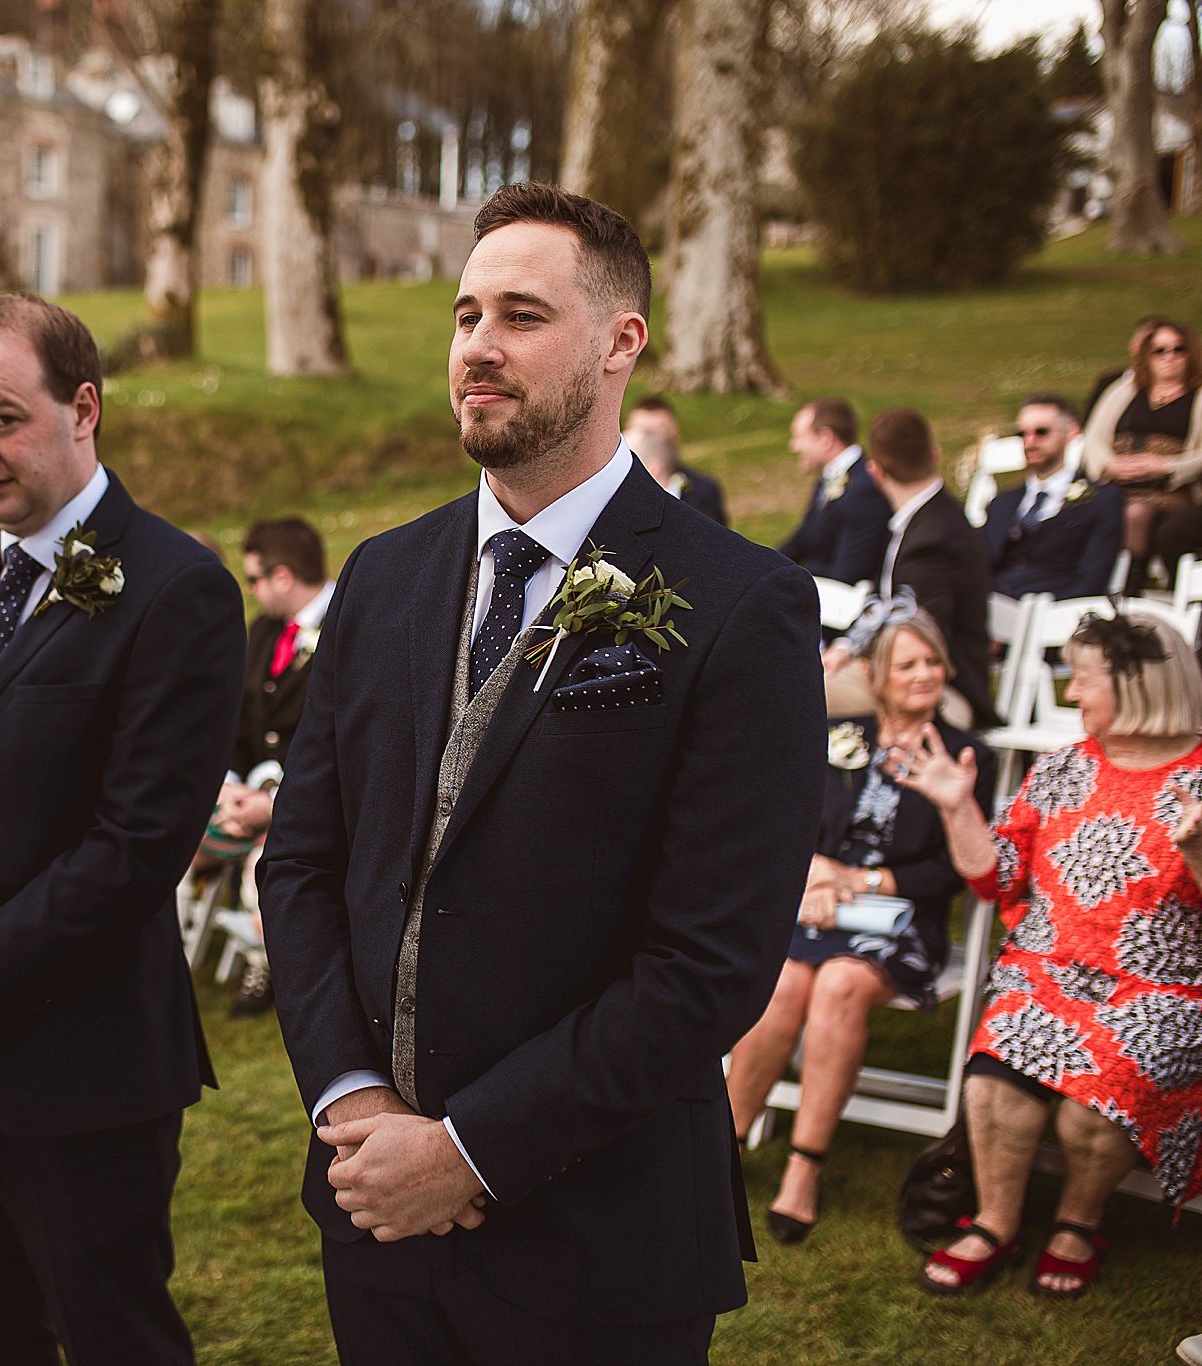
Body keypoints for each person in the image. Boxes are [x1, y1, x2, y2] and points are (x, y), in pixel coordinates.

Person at [260, 182, 824, 1363]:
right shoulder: (380, 576)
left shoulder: (739, 604)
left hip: (597, 1241)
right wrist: (352, 1104)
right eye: (465, 316)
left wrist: (467, 1150)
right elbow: (305, 860)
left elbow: (708, 963)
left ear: (622, 342)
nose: (476, 347)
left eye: (520, 314)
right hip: (375, 1221)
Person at [0, 293, 245, 1365]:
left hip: (80, 1068)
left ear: (83, 408)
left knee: (110, 1336)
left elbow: (133, 849)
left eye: (2, 419)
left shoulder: (179, 588)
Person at [896, 610, 1202, 1297]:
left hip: (1164, 991)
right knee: (996, 1076)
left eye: (1083, 681)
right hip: (1048, 974)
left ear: (1135, 685)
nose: (1072, 696)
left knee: (1095, 1104)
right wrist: (956, 807)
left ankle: (1077, 1222)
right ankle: (997, 1222)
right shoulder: (1063, 768)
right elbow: (995, 877)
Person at [726, 604, 996, 1245]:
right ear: (877, 675)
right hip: (817, 903)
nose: (925, 674)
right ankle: (721, 1151)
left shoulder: (963, 754)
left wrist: (861, 882)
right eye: (908, 663)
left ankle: (804, 1167)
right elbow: (781, 820)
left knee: (841, 984)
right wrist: (816, 874)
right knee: (785, 983)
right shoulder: (834, 732)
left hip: (901, 920)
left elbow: (949, 871)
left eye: (933, 661)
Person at [208, 516, 336, 1017]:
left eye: (254, 579)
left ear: (282, 577)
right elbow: (236, 718)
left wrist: (276, 803)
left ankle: (272, 960)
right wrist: (228, 785)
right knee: (172, 839)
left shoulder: (349, 624)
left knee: (262, 862)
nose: (252, 590)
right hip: (247, 794)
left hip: (314, 804)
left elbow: (342, 745)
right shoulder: (262, 630)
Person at [823, 409, 1000, 730]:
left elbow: (921, 633)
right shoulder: (925, 521)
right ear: (934, 455)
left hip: (943, 692)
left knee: (793, 690)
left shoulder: (934, 537)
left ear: (875, 471)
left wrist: (863, 658)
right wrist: (847, 646)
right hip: (901, 671)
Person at [1083, 318, 1202, 592]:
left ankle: (1130, 586)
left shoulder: (1197, 396)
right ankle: (1086, 586)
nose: (1169, 357)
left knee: (1136, 513)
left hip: (1170, 489)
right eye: (1159, 350)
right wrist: (1109, 465)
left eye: (1178, 349)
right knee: (1088, 511)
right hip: (1116, 481)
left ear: (1191, 353)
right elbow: (1094, 438)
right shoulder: (1124, 390)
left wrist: (1165, 466)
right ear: (1146, 355)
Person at [985, 394, 1124, 600]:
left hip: (1056, 611)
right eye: (1022, 434)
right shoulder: (1002, 503)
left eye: (1041, 432)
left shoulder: (1100, 499)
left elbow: (1092, 579)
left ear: (1071, 433)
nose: (1030, 442)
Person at [779, 396, 892, 585]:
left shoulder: (863, 490)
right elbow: (803, 538)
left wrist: (791, 578)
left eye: (798, 437)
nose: (793, 446)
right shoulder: (829, 477)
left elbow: (849, 573)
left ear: (825, 438)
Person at [624, 395, 728, 525]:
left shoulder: (703, 491)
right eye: (642, 433)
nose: (651, 443)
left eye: (659, 432)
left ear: (675, 432)